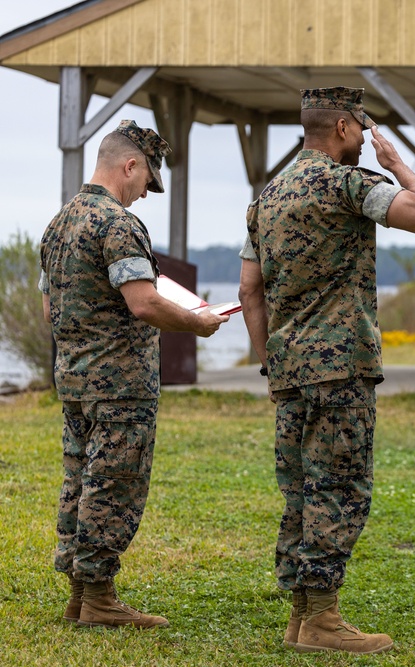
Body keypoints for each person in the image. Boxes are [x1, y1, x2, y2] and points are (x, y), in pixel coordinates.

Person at [238, 87, 415, 654]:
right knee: (341, 489)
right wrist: (399, 164)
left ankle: (302, 617)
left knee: (302, 490)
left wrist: (269, 361)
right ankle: (324, 621)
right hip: (341, 367)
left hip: (290, 371)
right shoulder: (349, 184)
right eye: (363, 129)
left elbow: (249, 290)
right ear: (347, 129)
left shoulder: (268, 197)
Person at [39, 120, 228, 629]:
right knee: (114, 484)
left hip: (74, 380)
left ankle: (80, 595)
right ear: (130, 165)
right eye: (147, 180)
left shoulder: (60, 223)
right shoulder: (117, 224)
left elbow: (48, 310)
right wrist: (198, 323)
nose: (146, 193)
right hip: (121, 384)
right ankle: (99, 601)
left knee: (80, 479)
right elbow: (144, 303)